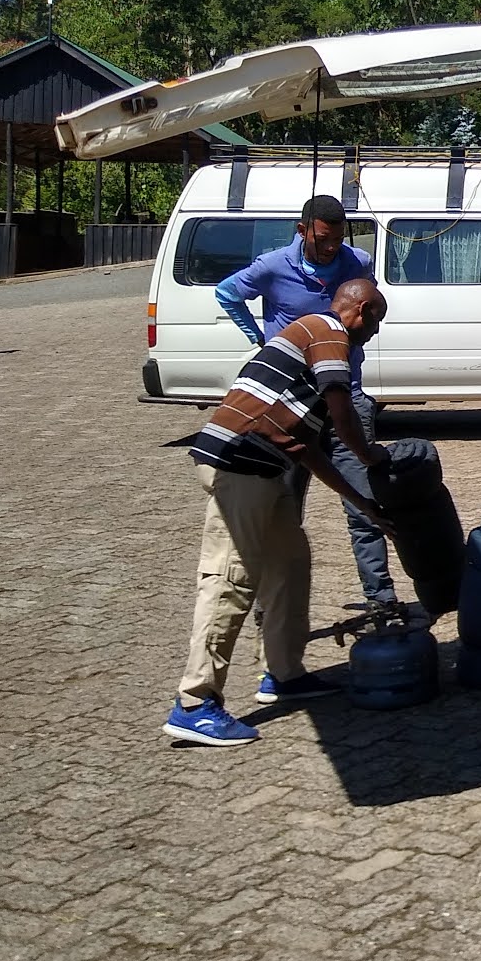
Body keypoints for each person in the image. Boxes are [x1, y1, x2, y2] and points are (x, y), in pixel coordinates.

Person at [164, 280, 390, 747]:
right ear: (362, 310)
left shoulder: (308, 357)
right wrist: (370, 456)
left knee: (289, 564)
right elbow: (343, 411)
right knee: (231, 576)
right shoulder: (327, 332)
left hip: (268, 470)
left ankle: (284, 674)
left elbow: (308, 449)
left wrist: (361, 502)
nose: (375, 332)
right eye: (377, 321)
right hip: (238, 464)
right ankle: (195, 703)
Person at [216, 195, 394, 609]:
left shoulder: (357, 263)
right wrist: (260, 339)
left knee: (363, 500)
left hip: (345, 394)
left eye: (337, 239)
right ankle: (269, 605)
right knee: (284, 504)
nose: (331, 247)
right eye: (322, 239)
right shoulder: (272, 266)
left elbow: (367, 305)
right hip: (292, 404)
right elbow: (227, 293)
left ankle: (381, 597)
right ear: (302, 231)